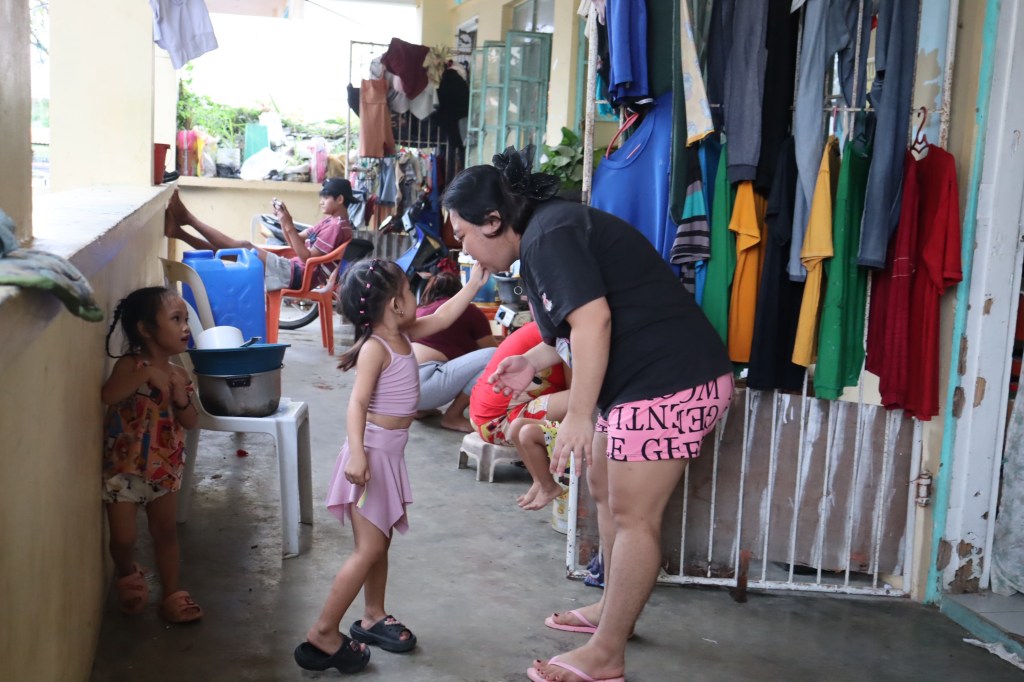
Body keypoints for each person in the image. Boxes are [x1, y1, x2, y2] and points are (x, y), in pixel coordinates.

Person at [442, 145, 735, 682]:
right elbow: (572, 328)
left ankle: (607, 655)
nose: (463, 246)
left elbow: (594, 322)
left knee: (634, 517)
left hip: (670, 383)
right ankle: (610, 611)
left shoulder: (549, 236)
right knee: (602, 486)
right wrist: (529, 362)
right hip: (640, 386)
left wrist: (578, 415)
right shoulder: (542, 238)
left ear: (493, 220)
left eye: (463, 234)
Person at [294, 258, 489, 674]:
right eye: (408, 290)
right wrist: (358, 454)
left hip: (389, 455)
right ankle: (324, 631)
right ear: (395, 304)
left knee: (380, 544)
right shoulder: (375, 349)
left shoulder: (404, 334)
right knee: (368, 549)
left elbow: (445, 316)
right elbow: (357, 404)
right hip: (370, 456)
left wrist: (473, 284)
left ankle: (373, 616)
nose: (416, 298)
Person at [100, 286, 203, 623]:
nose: (185, 327)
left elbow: (191, 422)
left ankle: (172, 593)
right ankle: (127, 572)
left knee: (165, 533)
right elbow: (109, 395)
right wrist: (145, 374)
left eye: (185, 319)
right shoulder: (130, 365)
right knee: (123, 537)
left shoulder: (180, 374)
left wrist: (181, 398)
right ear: (146, 329)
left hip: (165, 469)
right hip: (123, 469)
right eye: (176, 319)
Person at [163, 177, 356, 291]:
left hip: (296, 275)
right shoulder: (331, 222)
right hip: (293, 269)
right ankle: (179, 231)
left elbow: (307, 258)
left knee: (244, 247)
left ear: (340, 199)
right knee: (233, 253)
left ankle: (188, 219)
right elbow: (296, 241)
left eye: (326, 197)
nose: (321, 202)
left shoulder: (336, 227)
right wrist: (284, 220)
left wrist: (289, 226)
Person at [469, 321, 571, 510]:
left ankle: (541, 482)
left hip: (480, 415)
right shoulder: (566, 334)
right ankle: (542, 481)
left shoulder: (545, 327)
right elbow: (578, 390)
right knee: (585, 399)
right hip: (498, 423)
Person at [413, 272, 498, 432]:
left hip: (401, 391)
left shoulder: (420, 311)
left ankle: (420, 409)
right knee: (494, 357)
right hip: (426, 384)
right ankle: (453, 416)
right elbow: (494, 351)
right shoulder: (470, 311)